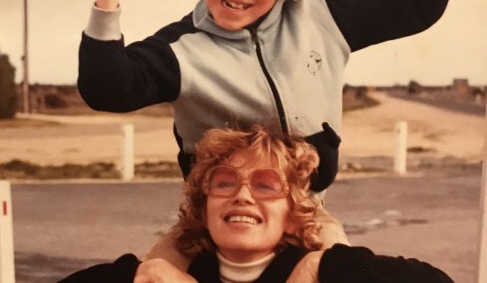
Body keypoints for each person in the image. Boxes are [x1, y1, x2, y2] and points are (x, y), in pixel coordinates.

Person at [78, 0, 457, 271]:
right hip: (212, 223)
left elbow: (417, 4)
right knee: (153, 276)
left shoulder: (321, 17)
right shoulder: (182, 49)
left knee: (339, 273)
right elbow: (106, 87)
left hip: (308, 215)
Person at [58, 126, 454, 283]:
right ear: (204, 204)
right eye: (224, 182)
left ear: (292, 211)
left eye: (265, 185)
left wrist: (329, 264)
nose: (242, 194)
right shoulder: (181, 276)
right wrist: (140, 274)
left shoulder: (314, 275)